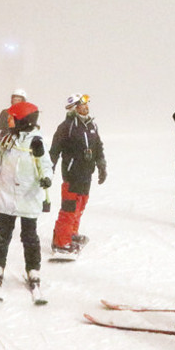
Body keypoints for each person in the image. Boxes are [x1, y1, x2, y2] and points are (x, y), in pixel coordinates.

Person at [0, 101, 53, 293]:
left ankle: (33, 269)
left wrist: (47, 178)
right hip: (7, 195)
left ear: (23, 120)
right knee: (3, 235)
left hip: (28, 196)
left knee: (29, 236)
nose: (8, 122)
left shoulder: (37, 141)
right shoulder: (8, 139)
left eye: (11, 118)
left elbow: (46, 165)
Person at [49, 93, 107, 256]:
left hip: (86, 172)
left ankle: (71, 233)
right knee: (69, 208)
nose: (85, 108)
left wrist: (101, 165)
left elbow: (98, 146)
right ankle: (61, 242)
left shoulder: (92, 125)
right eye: (81, 106)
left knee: (81, 204)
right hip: (72, 173)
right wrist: (48, 171)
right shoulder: (66, 126)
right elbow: (54, 151)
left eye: (86, 105)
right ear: (74, 108)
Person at [0, 89, 27, 215]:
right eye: (14, 99)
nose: (16, 102)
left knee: (15, 178)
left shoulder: (27, 114)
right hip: (3, 145)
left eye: (19, 99)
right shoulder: (6, 112)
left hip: (18, 148)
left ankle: (14, 204)